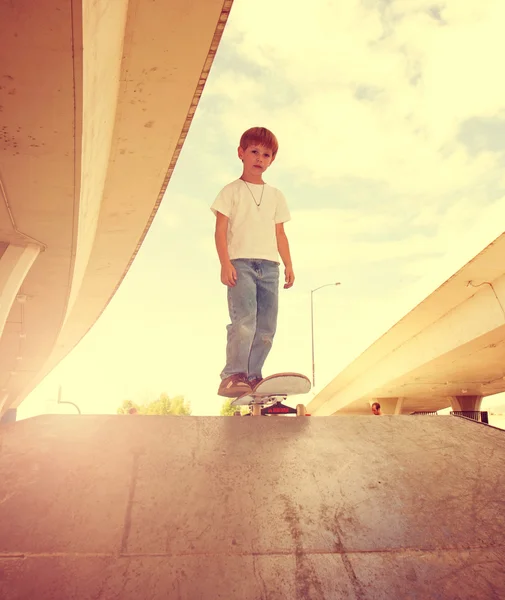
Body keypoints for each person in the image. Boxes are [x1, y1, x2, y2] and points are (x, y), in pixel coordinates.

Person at [211, 127, 294, 397]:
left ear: (272, 160)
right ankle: (233, 375)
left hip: (270, 268)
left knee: (267, 326)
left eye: (266, 154)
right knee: (244, 321)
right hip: (241, 264)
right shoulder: (231, 191)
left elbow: (280, 234)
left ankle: (254, 375)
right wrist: (225, 263)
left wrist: (289, 265)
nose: (259, 158)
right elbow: (220, 230)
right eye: (254, 152)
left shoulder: (276, 195)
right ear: (241, 153)